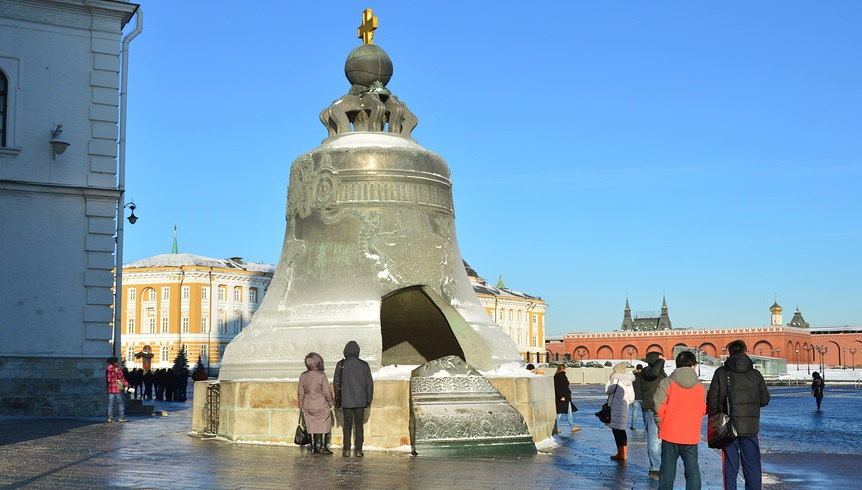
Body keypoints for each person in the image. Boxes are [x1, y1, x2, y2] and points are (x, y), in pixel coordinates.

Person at [707, 340, 770, 490]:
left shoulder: (721, 373)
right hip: (750, 427)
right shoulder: (755, 374)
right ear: (745, 352)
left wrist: (714, 419)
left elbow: (713, 400)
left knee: (730, 464)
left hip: (728, 426)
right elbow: (765, 399)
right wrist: (751, 407)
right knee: (752, 464)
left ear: (729, 353)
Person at [654, 351, 706, 490]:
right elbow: (704, 409)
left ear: (677, 365)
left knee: (667, 472)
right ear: (694, 366)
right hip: (690, 434)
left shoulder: (666, 382)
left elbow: (658, 407)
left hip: (670, 433)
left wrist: (662, 424)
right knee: (692, 471)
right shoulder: (700, 387)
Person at [333, 341, 374, 457]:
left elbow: (336, 383)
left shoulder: (341, 364)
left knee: (347, 425)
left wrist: (338, 396)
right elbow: (369, 384)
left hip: (346, 400)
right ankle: (358, 450)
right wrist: (368, 399)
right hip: (360, 400)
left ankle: (346, 450)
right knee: (359, 425)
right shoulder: (364, 365)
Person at [298, 352, 334, 455]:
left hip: (308, 404)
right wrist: (331, 403)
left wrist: (301, 405)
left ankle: (313, 447)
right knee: (324, 423)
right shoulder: (321, 375)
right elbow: (326, 391)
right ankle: (323, 446)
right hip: (321, 403)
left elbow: (300, 392)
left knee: (311, 424)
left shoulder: (303, 375)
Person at [641, 352, 668, 477]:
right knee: (654, 440)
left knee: (662, 440)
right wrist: (660, 361)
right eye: (660, 359)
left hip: (663, 410)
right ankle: (655, 467)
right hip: (651, 410)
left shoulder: (661, 373)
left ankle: (661, 465)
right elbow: (654, 373)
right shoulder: (646, 372)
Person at [605, 362, 635, 461]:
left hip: (614, 409)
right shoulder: (629, 382)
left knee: (616, 431)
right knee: (622, 431)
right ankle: (624, 453)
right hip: (624, 408)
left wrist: (608, 382)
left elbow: (608, 390)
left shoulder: (615, 379)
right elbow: (632, 398)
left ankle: (620, 453)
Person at [553, 364, 581, 434]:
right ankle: (556, 427)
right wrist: (561, 396)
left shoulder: (560, 375)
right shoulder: (559, 376)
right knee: (559, 413)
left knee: (568, 411)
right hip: (562, 397)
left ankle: (572, 426)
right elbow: (557, 387)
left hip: (565, 397)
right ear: (564, 368)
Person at [105, 356, 128, 423]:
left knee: (111, 404)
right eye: (117, 361)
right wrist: (116, 374)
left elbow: (122, 378)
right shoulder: (112, 369)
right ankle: (121, 417)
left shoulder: (110, 369)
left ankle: (110, 418)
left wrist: (127, 384)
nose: (118, 362)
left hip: (111, 390)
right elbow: (110, 379)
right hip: (117, 389)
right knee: (120, 403)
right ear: (114, 363)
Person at [630, 363, 643, 430]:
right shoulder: (645, 376)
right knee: (645, 412)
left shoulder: (633, 377)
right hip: (643, 396)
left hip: (635, 396)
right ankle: (646, 426)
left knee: (635, 411)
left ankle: (633, 425)